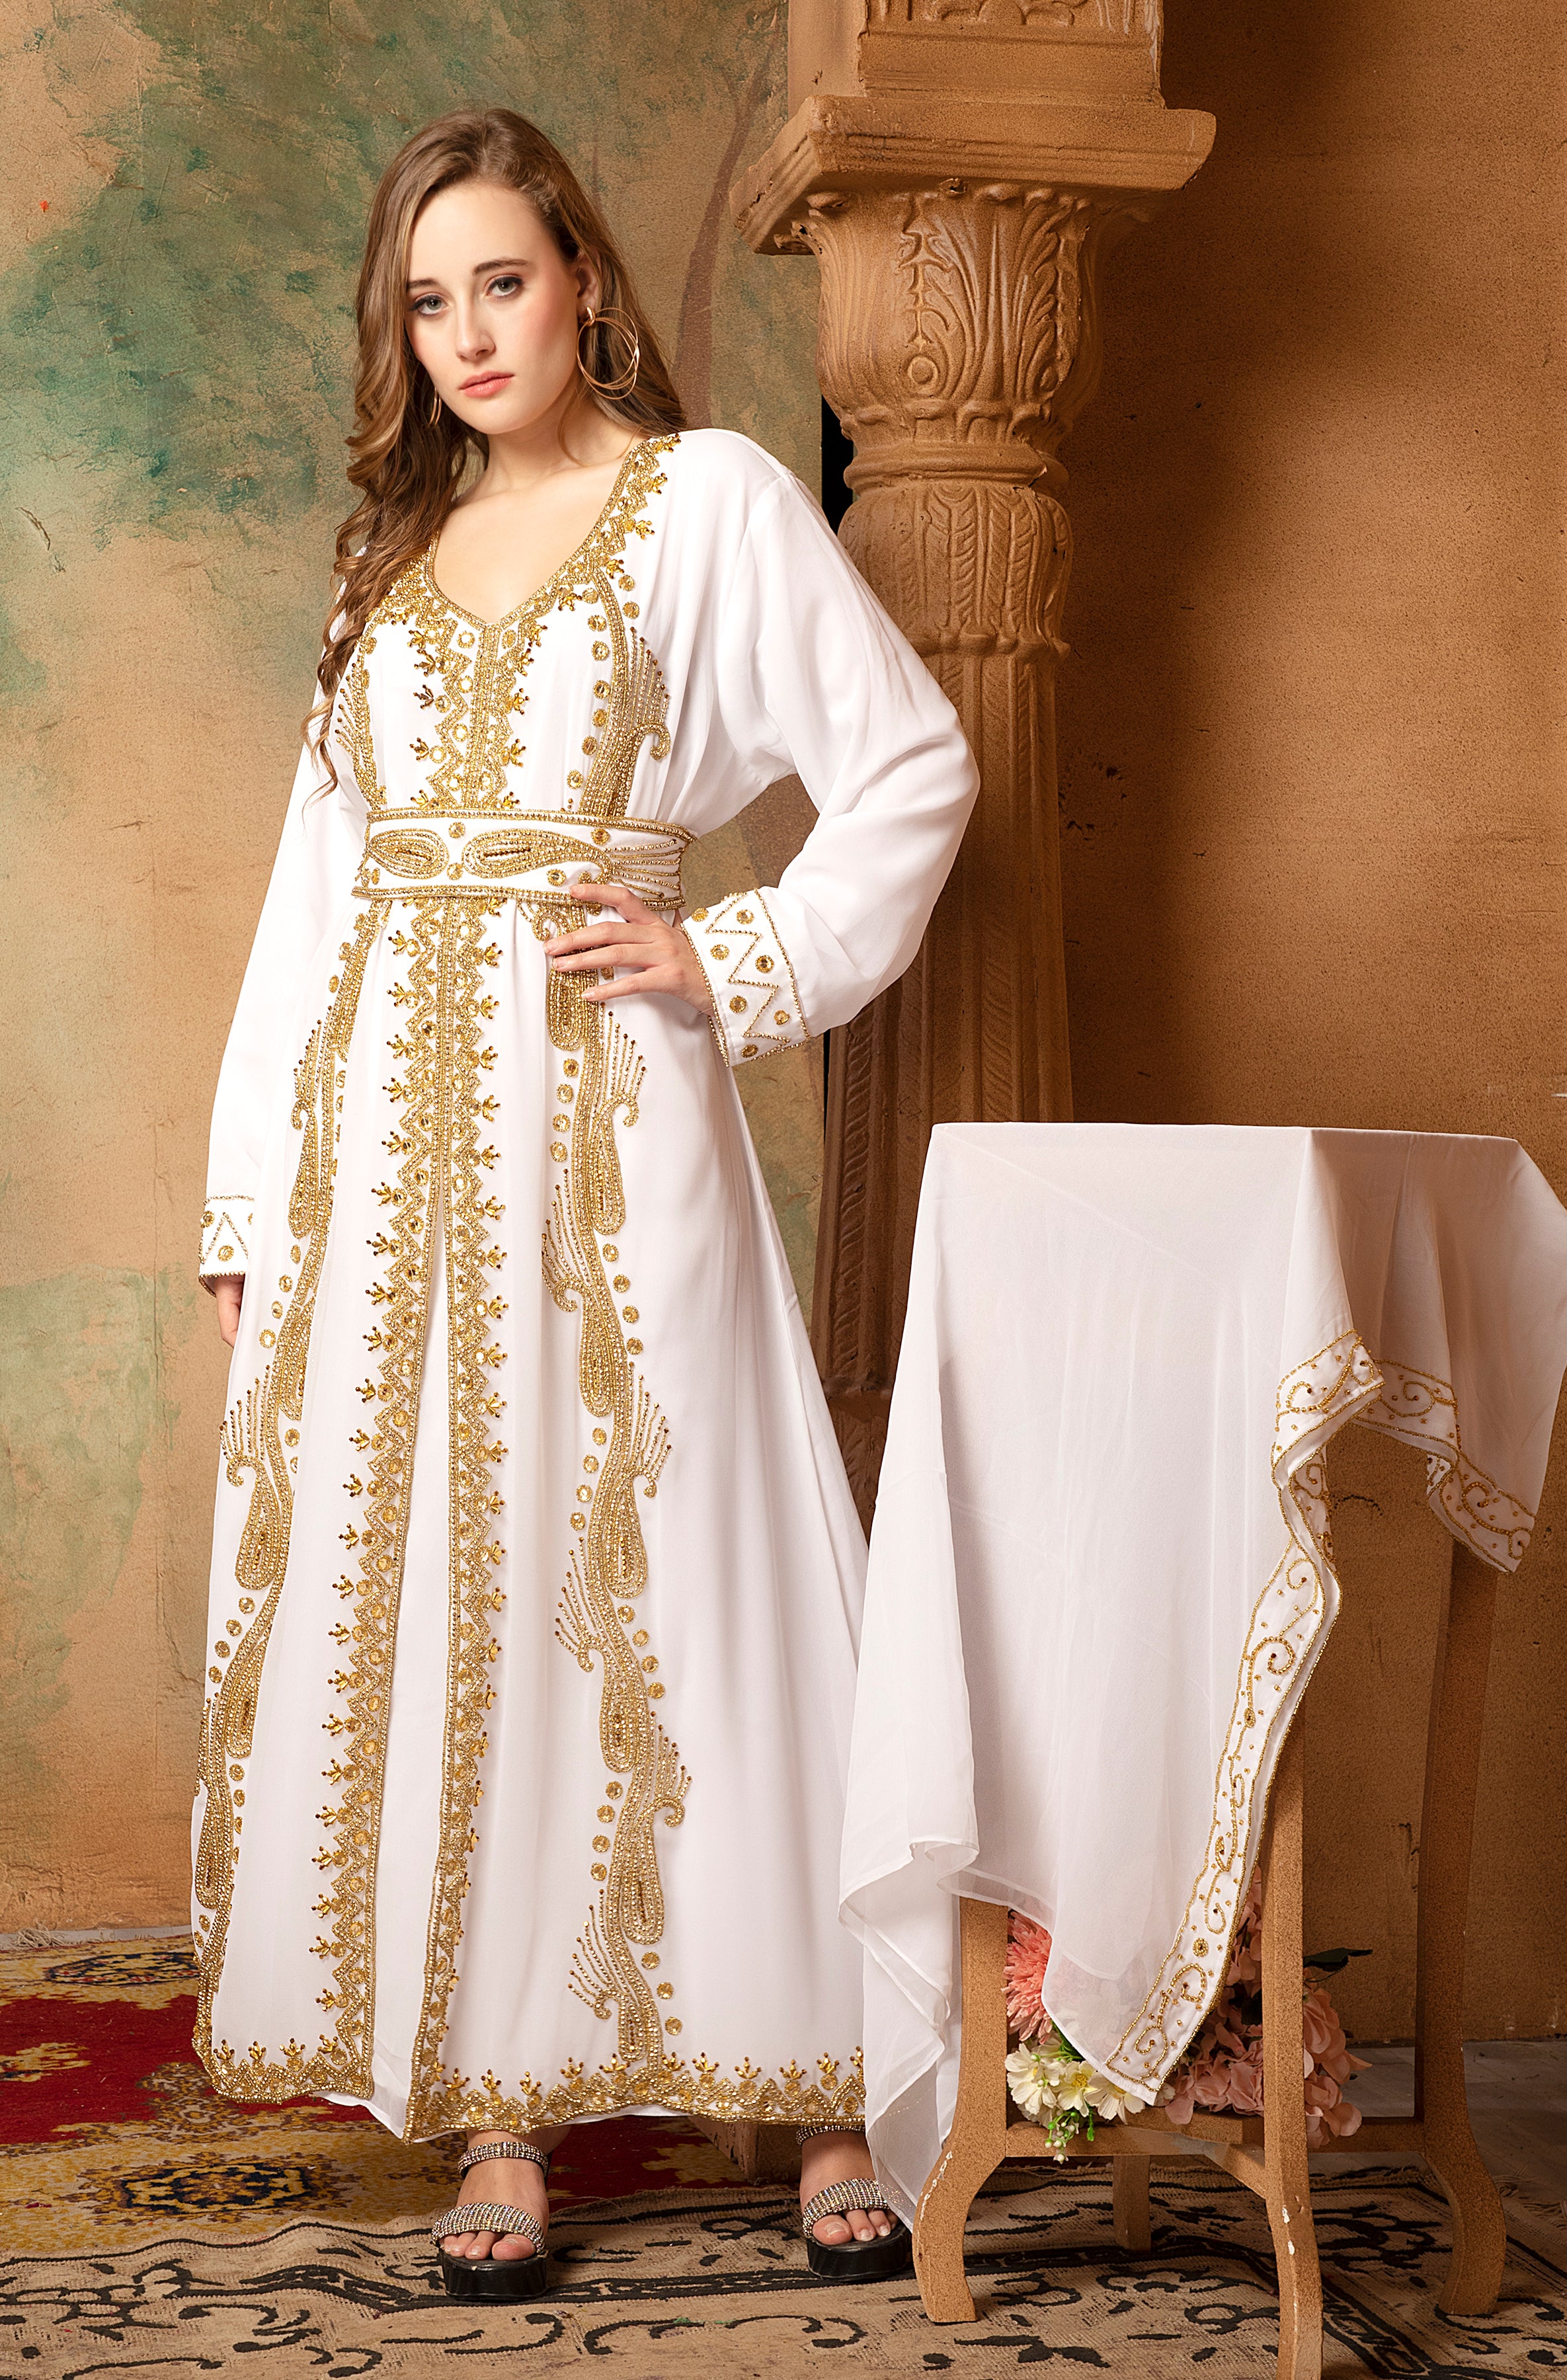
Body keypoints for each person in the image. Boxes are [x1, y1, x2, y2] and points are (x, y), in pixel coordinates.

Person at [193, 105, 979, 2303]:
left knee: (687, 1556)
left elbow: (910, 763)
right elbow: (312, 901)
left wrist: (731, 957)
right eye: (428, 301)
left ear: (584, 282)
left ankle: (823, 2083)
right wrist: (252, 1208)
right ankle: (503, 2110)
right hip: (383, 1156)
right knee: (462, 1583)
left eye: (503, 283)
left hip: (618, 1124)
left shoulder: (704, 502)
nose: (469, 335)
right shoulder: (385, 562)